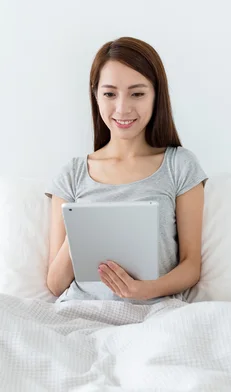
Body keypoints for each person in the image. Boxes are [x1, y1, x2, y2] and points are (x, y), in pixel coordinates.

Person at [45, 36, 207, 304]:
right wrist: (83, 233)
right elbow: (55, 283)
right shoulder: (71, 175)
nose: (122, 108)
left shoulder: (180, 166)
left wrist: (145, 290)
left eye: (137, 93)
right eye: (110, 94)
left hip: (154, 315)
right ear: (95, 95)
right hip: (82, 313)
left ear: (156, 95)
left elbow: (191, 266)